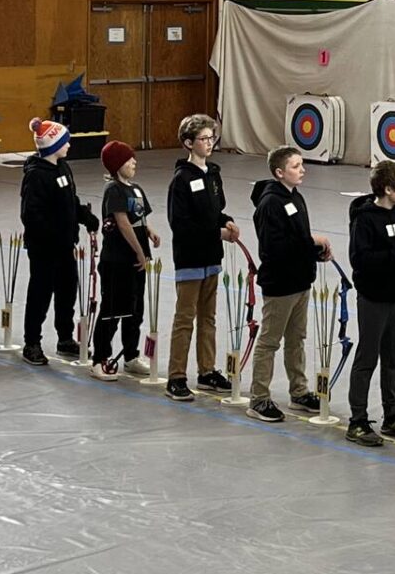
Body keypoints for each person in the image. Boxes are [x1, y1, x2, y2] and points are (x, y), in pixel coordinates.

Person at [247, 146, 329, 422]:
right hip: (281, 284)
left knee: (297, 339)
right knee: (270, 341)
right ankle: (258, 398)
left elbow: (298, 237)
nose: (302, 169)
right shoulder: (271, 203)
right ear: (280, 172)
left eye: (301, 164)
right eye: (295, 166)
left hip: (300, 281)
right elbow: (275, 248)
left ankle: (299, 392)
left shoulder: (296, 197)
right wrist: (310, 243)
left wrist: (315, 251)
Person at [345, 160, 395, 451]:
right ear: (387, 189)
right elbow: (361, 259)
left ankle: (392, 415)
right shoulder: (365, 218)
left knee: (394, 358)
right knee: (368, 357)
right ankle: (358, 420)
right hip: (374, 298)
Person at [163, 113, 239, 402]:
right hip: (190, 257)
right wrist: (216, 233)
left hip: (211, 257)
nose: (209, 143)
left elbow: (214, 211)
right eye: (204, 139)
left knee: (209, 317)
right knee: (185, 319)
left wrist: (226, 220)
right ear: (188, 143)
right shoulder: (181, 180)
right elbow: (181, 224)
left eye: (211, 138)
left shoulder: (213, 174)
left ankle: (206, 371)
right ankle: (176, 376)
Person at [20, 118, 95, 366]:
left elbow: (70, 200)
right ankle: (32, 342)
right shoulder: (36, 176)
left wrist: (84, 216)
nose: (69, 145)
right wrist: (50, 236)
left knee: (67, 291)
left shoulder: (63, 167)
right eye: (65, 141)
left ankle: (65, 338)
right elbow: (31, 215)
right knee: (40, 294)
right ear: (53, 145)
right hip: (45, 249)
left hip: (65, 246)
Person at [91, 140, 159, 377]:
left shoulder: (136, 189)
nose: (134, 162)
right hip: (118, 260)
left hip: (136, 263)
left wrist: (149, 232)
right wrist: (140, 251)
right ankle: (99, 358)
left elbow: (139, 217)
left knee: (135, 310)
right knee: (112, 310)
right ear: (117, 164)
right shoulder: (114, 190)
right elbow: (122, 222)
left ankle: (131, 355)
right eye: (129, 159)